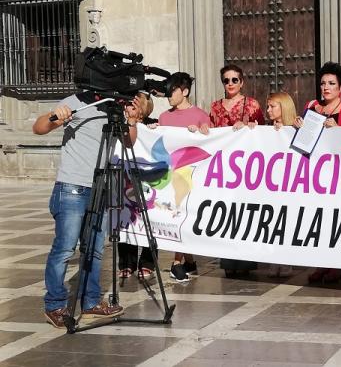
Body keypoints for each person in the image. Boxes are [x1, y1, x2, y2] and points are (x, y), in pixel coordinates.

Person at [33, 91, 145, 327]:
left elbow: (128, 142)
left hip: (102, 187)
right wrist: (56, 116)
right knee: (65, 249)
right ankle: (54, 305)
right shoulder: (75, 102)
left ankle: (91, 303)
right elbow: (39, 127)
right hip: (72, 186)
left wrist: (132, 121)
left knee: (94, 249)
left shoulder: (114, 107)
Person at [296, 62, 341, 284]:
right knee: (318, 220)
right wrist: (298, 125)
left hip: (338, 176)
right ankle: (321, 263)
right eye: (323, 83)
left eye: (331, 83)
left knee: (336, 220)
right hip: (314, 174)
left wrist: (339, 131)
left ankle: (338, 266)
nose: (326, 87)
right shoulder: (312, 108)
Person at [203, 65, 264, 277]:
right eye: (226, 80)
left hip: (247, 167)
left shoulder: (252, 105)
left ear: (242, 82)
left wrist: (250, 127)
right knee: (227, 213)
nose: (230, 84)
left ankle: (246, 262)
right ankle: (228, 262)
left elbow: (263, 133)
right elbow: (211, 132)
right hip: (224, 168)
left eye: (234, 80)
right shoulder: (215, 106)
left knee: (246, 213)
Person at [150, 72, 211, 282]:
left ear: (184, 92)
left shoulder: (201, 115)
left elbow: (211, 143)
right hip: (171, 173)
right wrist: (152, 132)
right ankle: (188, 261)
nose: (168, 94)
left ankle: (177, 263)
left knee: (182, 212)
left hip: (194, 174)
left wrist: (203, 132)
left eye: (172, 89)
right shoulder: (164, 117)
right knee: (176, 213)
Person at [117, 92, 156, 280]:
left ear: (143, 107)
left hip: (148, 180)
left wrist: (155, 130)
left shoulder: (154, 124)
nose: (128, 106)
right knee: (125, 217)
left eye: (133, 103)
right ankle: (126, 262)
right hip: (125, 177)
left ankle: (148, 262)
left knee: (152, 218)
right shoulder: (117, 123)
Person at [264, 92, 297, 277]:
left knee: (288, 220)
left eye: (272, 106)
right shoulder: (266, 129)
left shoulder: (295, 127)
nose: (268, 110)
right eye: (268, 106)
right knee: (273, 220)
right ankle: (273, 260)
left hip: (290, 182)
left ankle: (286, 261)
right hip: (272, 182)